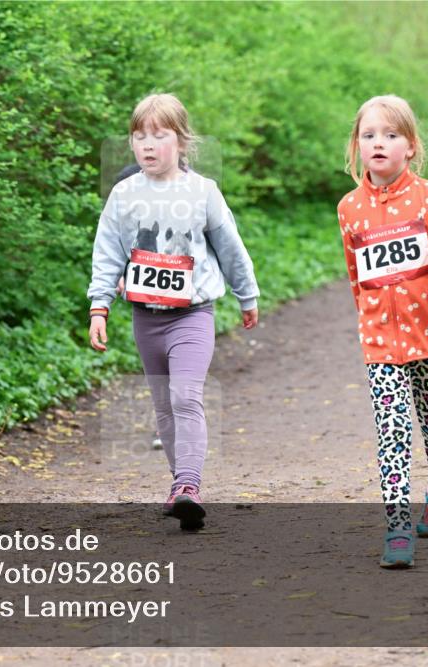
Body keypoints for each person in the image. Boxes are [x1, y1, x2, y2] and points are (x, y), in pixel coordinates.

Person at [88, 93, 260, 530]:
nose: (147, 145)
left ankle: (188, 484)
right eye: (138, 136)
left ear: (181, 142)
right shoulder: (123, 196)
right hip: (146, 318)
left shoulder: (203, 192)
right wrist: (99, 306)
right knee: (164, 407)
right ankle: (180, 491)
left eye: (158, 136)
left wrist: (247, 295)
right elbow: (107, 252)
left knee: (186, 396)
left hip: (192, 316)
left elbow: (230, 247)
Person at [338, 95, 428, 567]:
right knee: (392, 428)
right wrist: (367, 317)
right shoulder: (349, 208)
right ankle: (397, 523)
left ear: (411, 146)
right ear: (356, 146)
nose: (379, 143)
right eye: (369, 135)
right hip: (380, 340)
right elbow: (356, 273)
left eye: (391, 135)